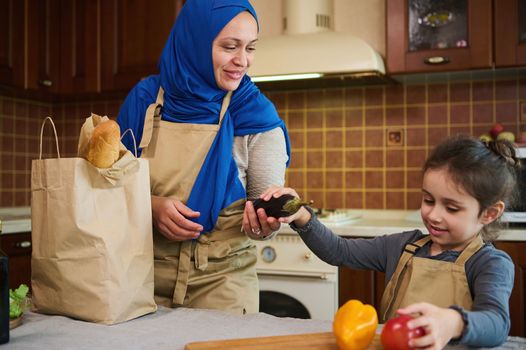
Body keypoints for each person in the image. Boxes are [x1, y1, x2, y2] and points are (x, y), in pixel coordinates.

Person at [246, 135, 517, 349]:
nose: (433, 215)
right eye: (428, 200)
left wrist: (453, 322)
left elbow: (496, 324)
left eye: (452, 208)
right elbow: (338, 252)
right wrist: (302, 215)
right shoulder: (403, 247)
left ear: (489, 213)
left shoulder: (489, 263)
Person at [116, 0, 290, 315]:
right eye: (229, 46)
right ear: (194, 41)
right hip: (138, 281)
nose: (243, 61)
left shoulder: (256, 115)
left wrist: (264, 223)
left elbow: (262, 213)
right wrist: (152, 207)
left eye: (250, 48)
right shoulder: (143, 100)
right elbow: (107, 188)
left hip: (223, 284)